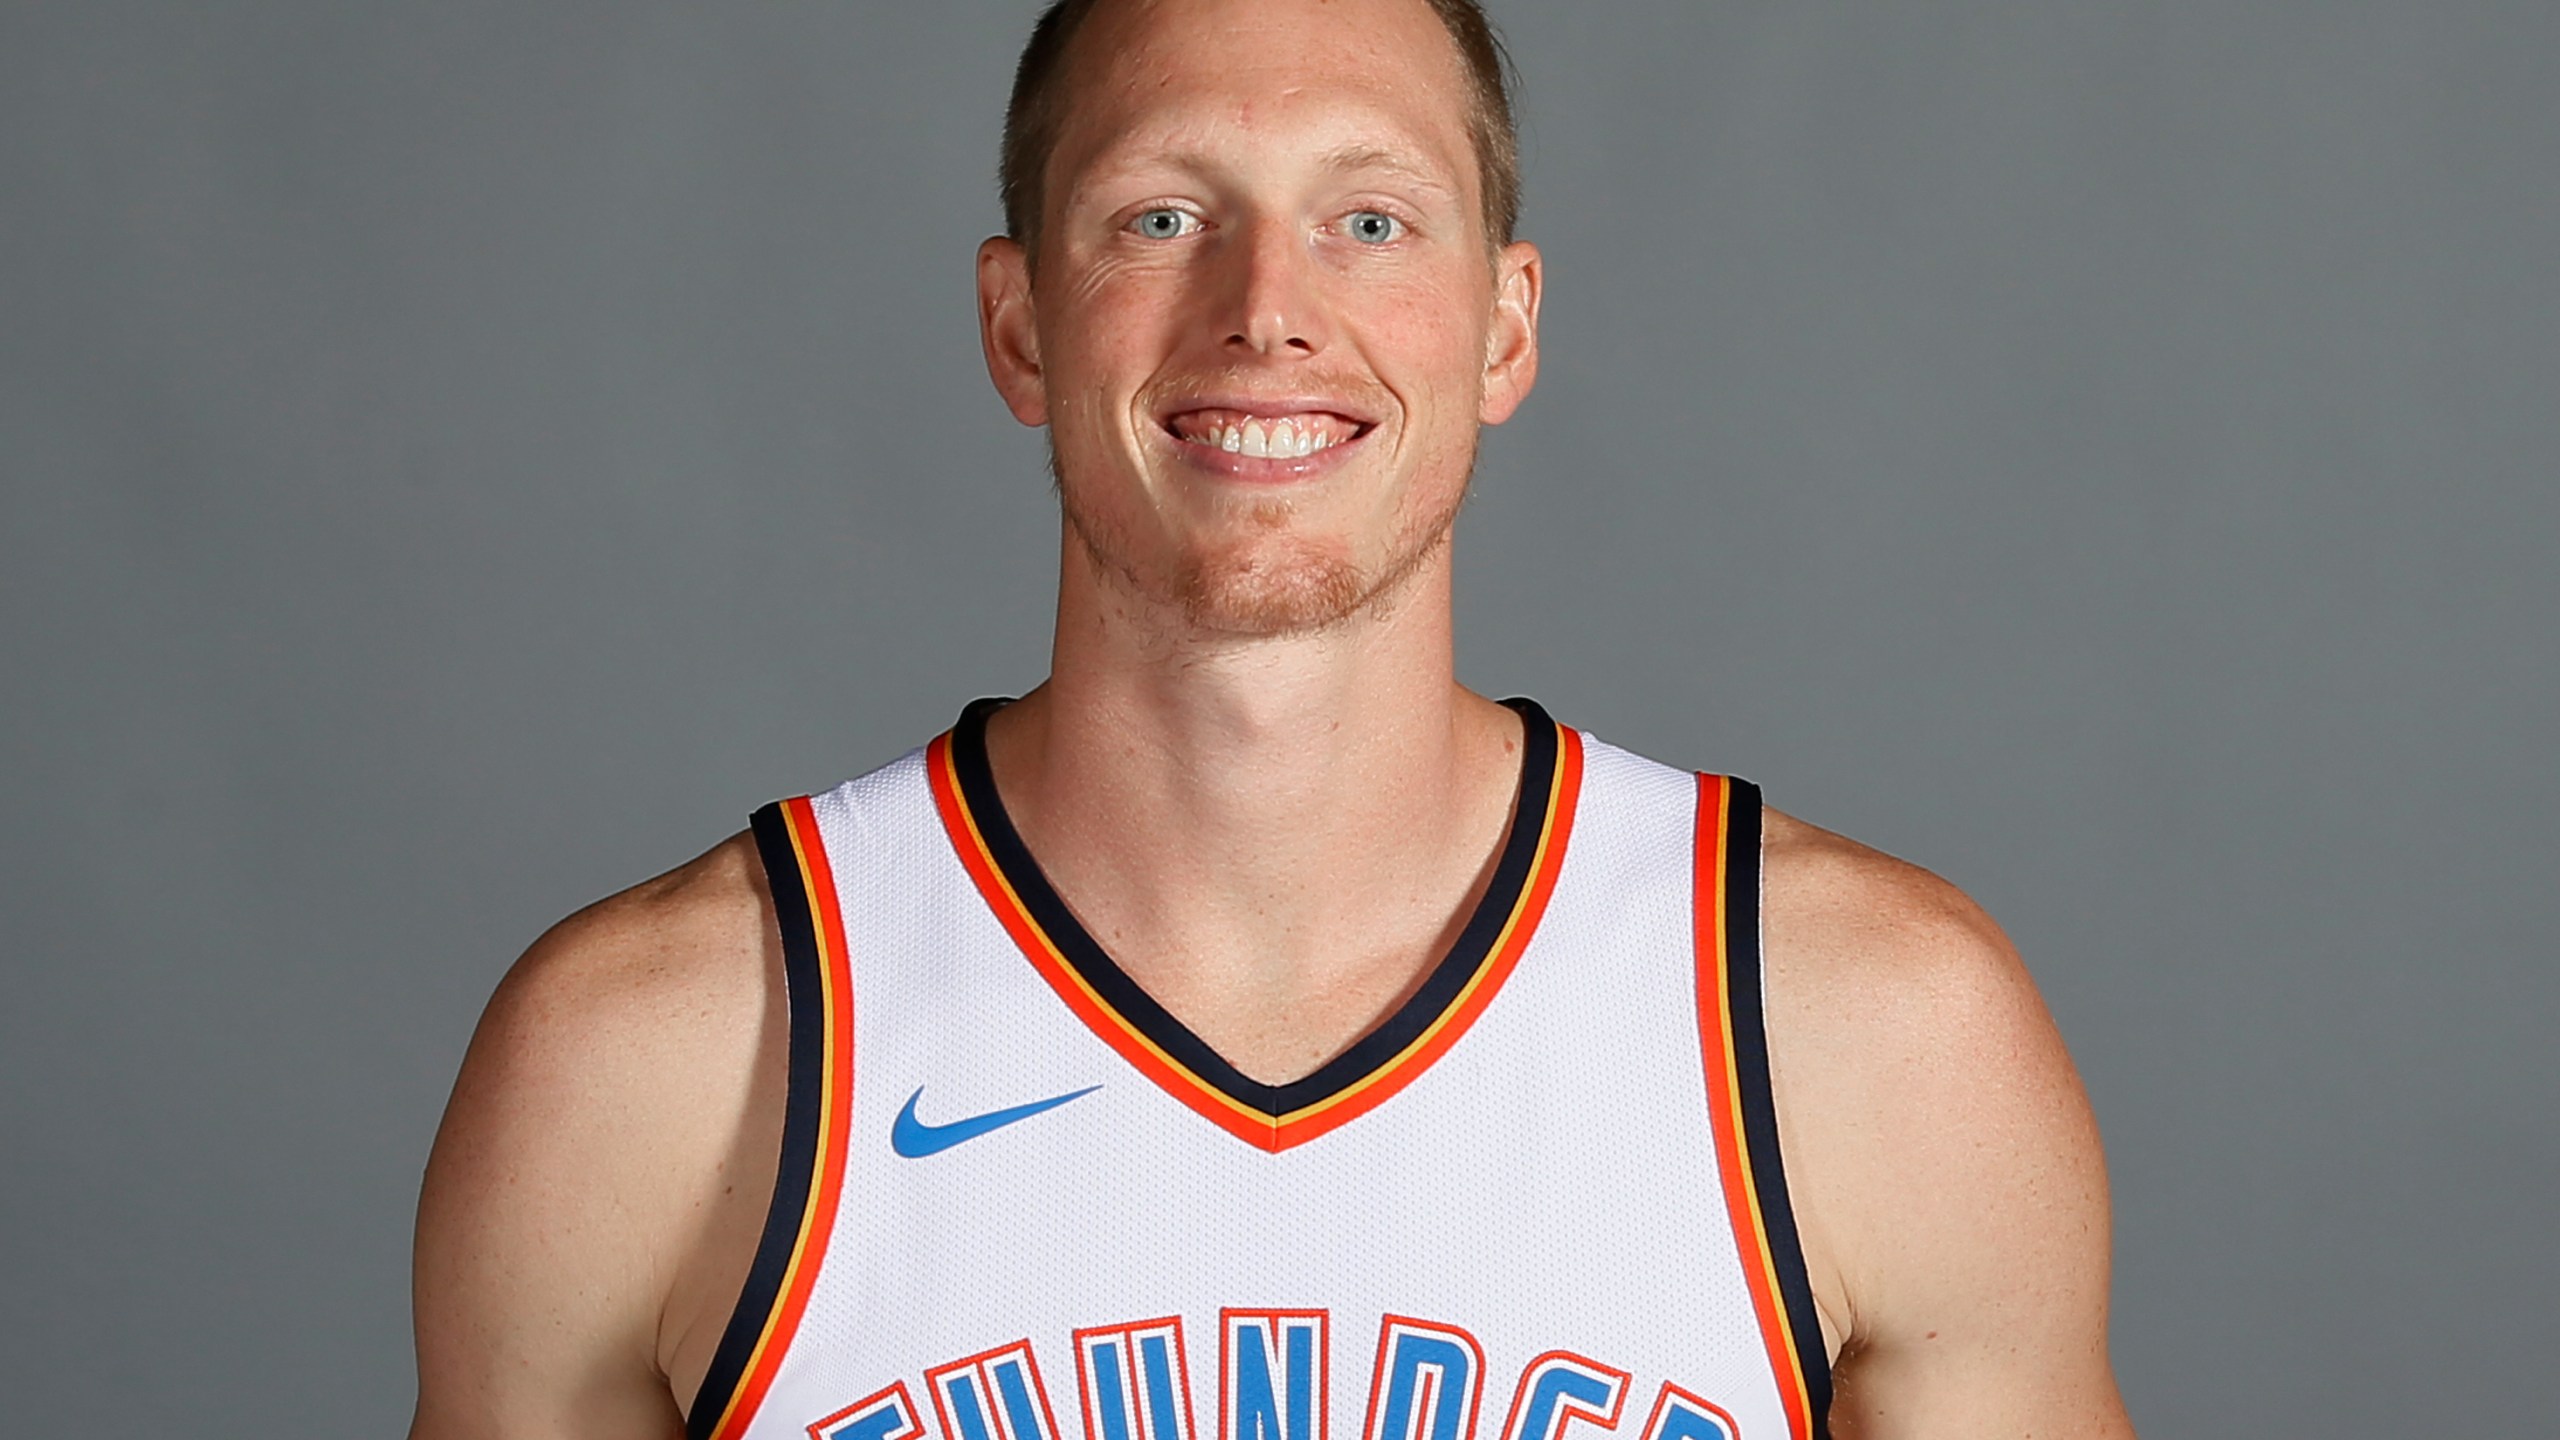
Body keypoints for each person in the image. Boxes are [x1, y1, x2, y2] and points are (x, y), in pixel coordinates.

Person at [409, 1, 2136, 1436]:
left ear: (1504, 330)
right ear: (1018, 326)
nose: (1265, 312)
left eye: (1368, 221)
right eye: (1162, 216)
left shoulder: (1865, 1036)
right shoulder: (655, 1064)